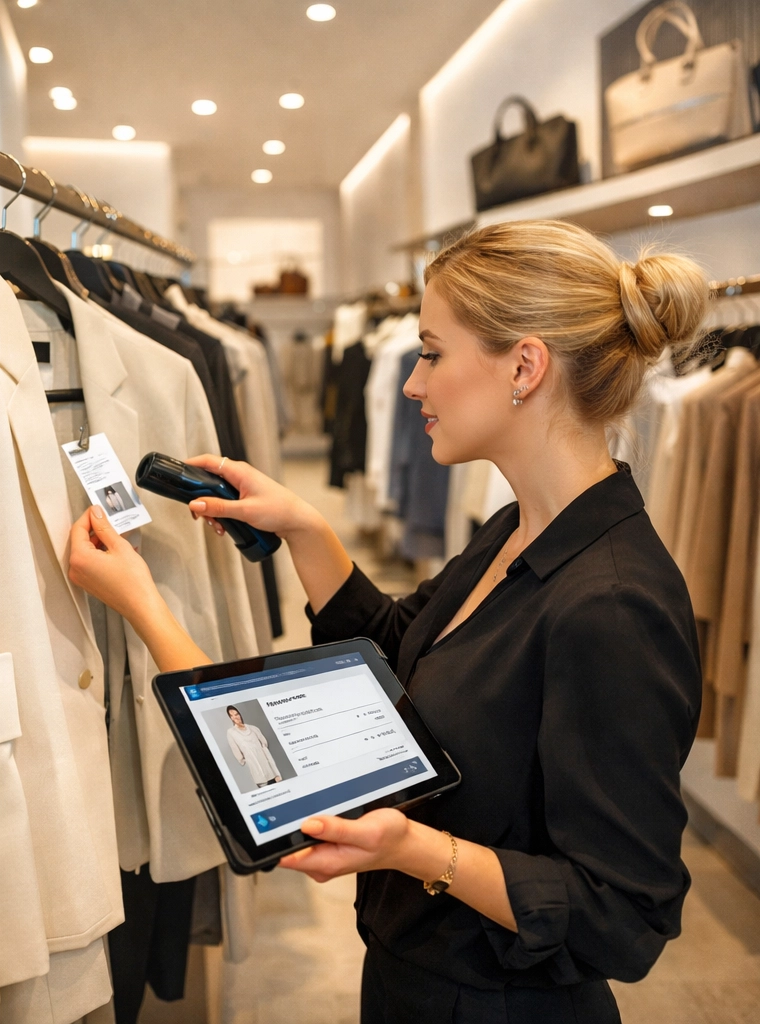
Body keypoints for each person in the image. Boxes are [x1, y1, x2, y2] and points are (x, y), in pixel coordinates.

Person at [65, 220, 707, 1023]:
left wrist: (414, 849)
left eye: (432, 353)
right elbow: (399, 655)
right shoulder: (518, 529)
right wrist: (306, 528)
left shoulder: (613, 604)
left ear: (525, 365)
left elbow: (623, 916)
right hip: (416, 981)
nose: (411, 385)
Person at [224, 705, 281, 787]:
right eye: (231, 716)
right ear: (230, 718)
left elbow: (264, 744)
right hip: (255, 769)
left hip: (269, 769)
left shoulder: (253, 728)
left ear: (240, 714)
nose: (235, 717)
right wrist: (243, 760)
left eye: (236, 714)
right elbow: (235, 750)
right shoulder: (231, 732)